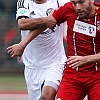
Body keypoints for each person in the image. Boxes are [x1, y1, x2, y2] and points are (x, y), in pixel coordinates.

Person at [8, 0, 100, 100]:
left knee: (47, 95)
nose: (77, 7)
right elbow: (47, 22)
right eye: (74, 3)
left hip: (95, 75)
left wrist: (86, 60)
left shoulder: (60, 2)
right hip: (73, 74)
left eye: (81, 2)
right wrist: (22, 44)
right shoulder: (68, 8)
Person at [7, 0, 70, 100]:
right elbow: (22, 24)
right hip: (32, 66)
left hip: (55, 63)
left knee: (47, 95)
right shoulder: (24, 2)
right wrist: (46, 20)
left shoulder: (59, 2)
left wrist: (22, 44)